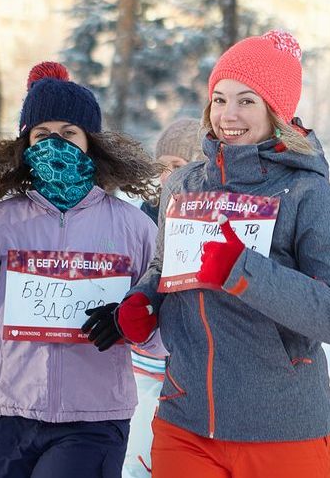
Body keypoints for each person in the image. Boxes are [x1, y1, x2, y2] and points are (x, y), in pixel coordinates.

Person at [82, 30, 330, 477]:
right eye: (219, 99)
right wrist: (144, 299)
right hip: (186, 420)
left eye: (246, 101)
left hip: (283, 430)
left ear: (278, 112)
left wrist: (244, 271)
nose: (228, 115)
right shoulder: (183, 184)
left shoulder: (311, 196)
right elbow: (165, 266)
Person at [0, 61, 159, 477]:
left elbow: (165, 339)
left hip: (93, 420)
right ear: (26, 144)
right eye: (43, 134)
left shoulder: (134, 227)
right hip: (9, 416)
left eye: (69, 133)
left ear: (91, 143)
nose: (57, 145)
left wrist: (131, 321)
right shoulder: (0, 222)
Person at [127, 117, 205, 477]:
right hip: (142, 362)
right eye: (161, 168)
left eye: (176, 167)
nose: (165, 178)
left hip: (186, 366)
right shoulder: (143, 221)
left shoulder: (207, 222)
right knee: (136, 454)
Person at [139, 118, 205, 224]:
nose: (166, 176)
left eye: (177, 167)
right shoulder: (150, 211)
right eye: (161, 166)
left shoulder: (217, 212)